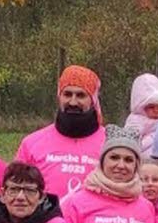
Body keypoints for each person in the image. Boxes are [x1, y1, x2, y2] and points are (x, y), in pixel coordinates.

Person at [13, 65, 106, 197]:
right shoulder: (32, 143)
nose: (73, 102)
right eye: (67, 94)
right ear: (59, 97)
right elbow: (15, 189)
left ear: (93, 100)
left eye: (81, 95)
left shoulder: (111, 144)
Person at [123, 73, 158, 156]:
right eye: (151, 107)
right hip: (143, 156)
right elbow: (130, 141)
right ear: (142, 106)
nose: (156, 111)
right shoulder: (136, 121)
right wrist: (152, 138)